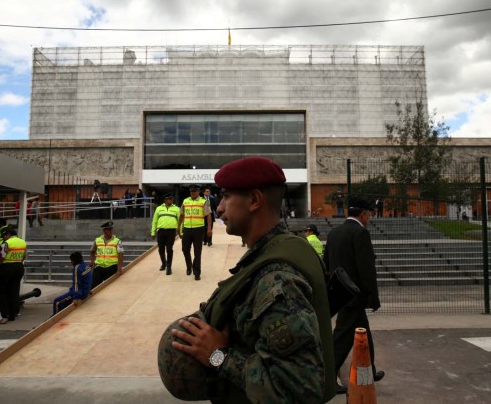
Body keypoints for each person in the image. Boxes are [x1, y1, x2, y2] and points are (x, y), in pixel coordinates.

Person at [160, 157, 335, 403]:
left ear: (254, 200)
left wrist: (217, 356)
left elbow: (297, 390)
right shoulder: (281, 248)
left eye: (227, 197)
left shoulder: (278, 281)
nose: (219, 208)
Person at [323, 196, 384, 393]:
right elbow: (366, 269)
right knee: (341, 339)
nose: (370, 219)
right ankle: (326, 378)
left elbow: (327, 265)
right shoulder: (360, 233)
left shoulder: (334, 233)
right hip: (354, 296)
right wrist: (372, 297)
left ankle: (369, 370)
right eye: (370, 215)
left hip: (341, 295)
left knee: (363, 333)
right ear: (364, 214)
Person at [177, 185, 212, 281]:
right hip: (187, 229)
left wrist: (209, 229)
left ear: (198, 192)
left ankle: (197, 273)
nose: (192, 193)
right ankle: (189, 266)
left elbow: (208, 215)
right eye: (191, 191)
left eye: (194, 191)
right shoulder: (185, 201)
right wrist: (178, 227)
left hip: (199, 230)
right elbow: (181, 215)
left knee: (197, 252)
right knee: (185, 250)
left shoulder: (203, 202)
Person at [0, 229, 26, 321]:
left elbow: (2, 256)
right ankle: (13, 314)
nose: (3, 238)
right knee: (14, 291)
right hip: (18, 267)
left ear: (8, 234)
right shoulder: (23, 242)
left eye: (4, 236)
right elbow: (24, 256)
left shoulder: (7, 243)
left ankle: (4, 314)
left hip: (6, 267)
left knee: (3, 292)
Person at [151, 193, 180, 275]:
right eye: (169, 199)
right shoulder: (159, 208)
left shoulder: (176, 209)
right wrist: (153, 232)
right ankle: (163, 263)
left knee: (169, 249)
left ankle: (169, 267)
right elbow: (154, 221)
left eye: (172, 198)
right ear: (165, 200)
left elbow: (180, 222)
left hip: (171, 232)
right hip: (161, 231)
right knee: (161, 249)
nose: (171, 200)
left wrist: (180, 231)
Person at [89, 221, 124, 288]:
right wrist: (92, 261)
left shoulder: (117, 241)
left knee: (111, 288)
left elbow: (121, 254)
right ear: (104, 230)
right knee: (92, 286)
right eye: (109, 229)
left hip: (112, 268)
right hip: (99, 267)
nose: (111, 231)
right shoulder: (97, 240)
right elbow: (92, 251)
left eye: (111, 229)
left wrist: (119, 268)